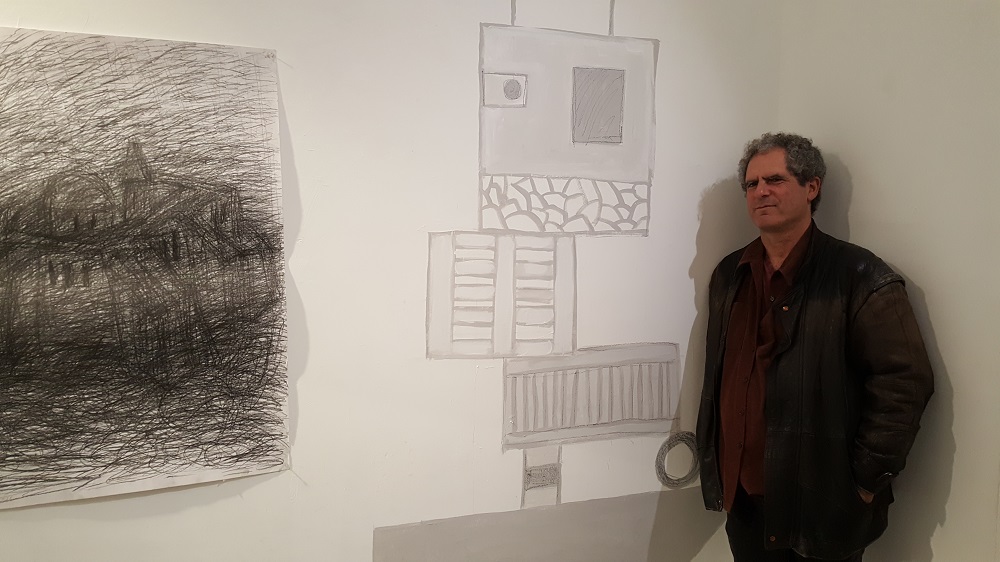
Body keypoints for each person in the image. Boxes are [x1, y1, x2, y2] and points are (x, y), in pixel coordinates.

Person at [696, 132, 934, 561]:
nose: (760, 191)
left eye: (775, 179)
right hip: (744, 504)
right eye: (751, 184)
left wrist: (864, 481)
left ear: (812, 187)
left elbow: (905, 382)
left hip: (823, 509)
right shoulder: (730, 275)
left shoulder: (860, 276)